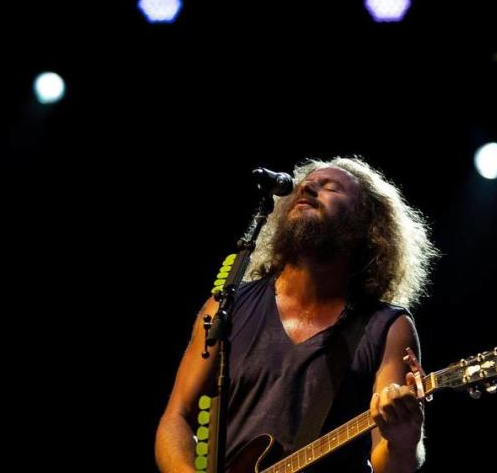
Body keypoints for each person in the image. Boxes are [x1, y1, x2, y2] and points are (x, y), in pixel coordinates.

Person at [155, 157, 438, 473]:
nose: (309, 187)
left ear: (365, 225)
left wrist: (402, 440)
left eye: (331, 187)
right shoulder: (226, 307)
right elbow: (176, 417)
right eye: (306, 184)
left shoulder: (387, 327)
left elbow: (391, 466)